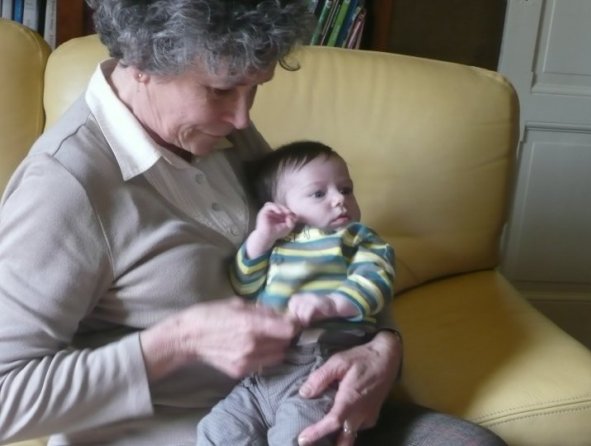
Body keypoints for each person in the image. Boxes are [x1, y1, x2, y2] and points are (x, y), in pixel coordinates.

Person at [0, 1, 507, 445]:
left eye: (254, 88)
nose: (242, 119)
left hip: (297, 393)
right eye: (220, 90)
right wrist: (173, 343)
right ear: (143, 62)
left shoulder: (221, 135)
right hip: (185, 430)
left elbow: (333, 246)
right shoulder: (66, 187)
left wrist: (383, 349)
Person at [196, 141, 396, 445]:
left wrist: (332, 304)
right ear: (283, 207)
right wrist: (261, 238)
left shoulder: (357, 238)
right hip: (262, 375)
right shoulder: (278, 245)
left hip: (322, 363)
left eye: (346, 189)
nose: (339, 200)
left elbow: (375, 281)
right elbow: (244, 284)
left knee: (298, 436)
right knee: (217, 429)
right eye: (318, 194)